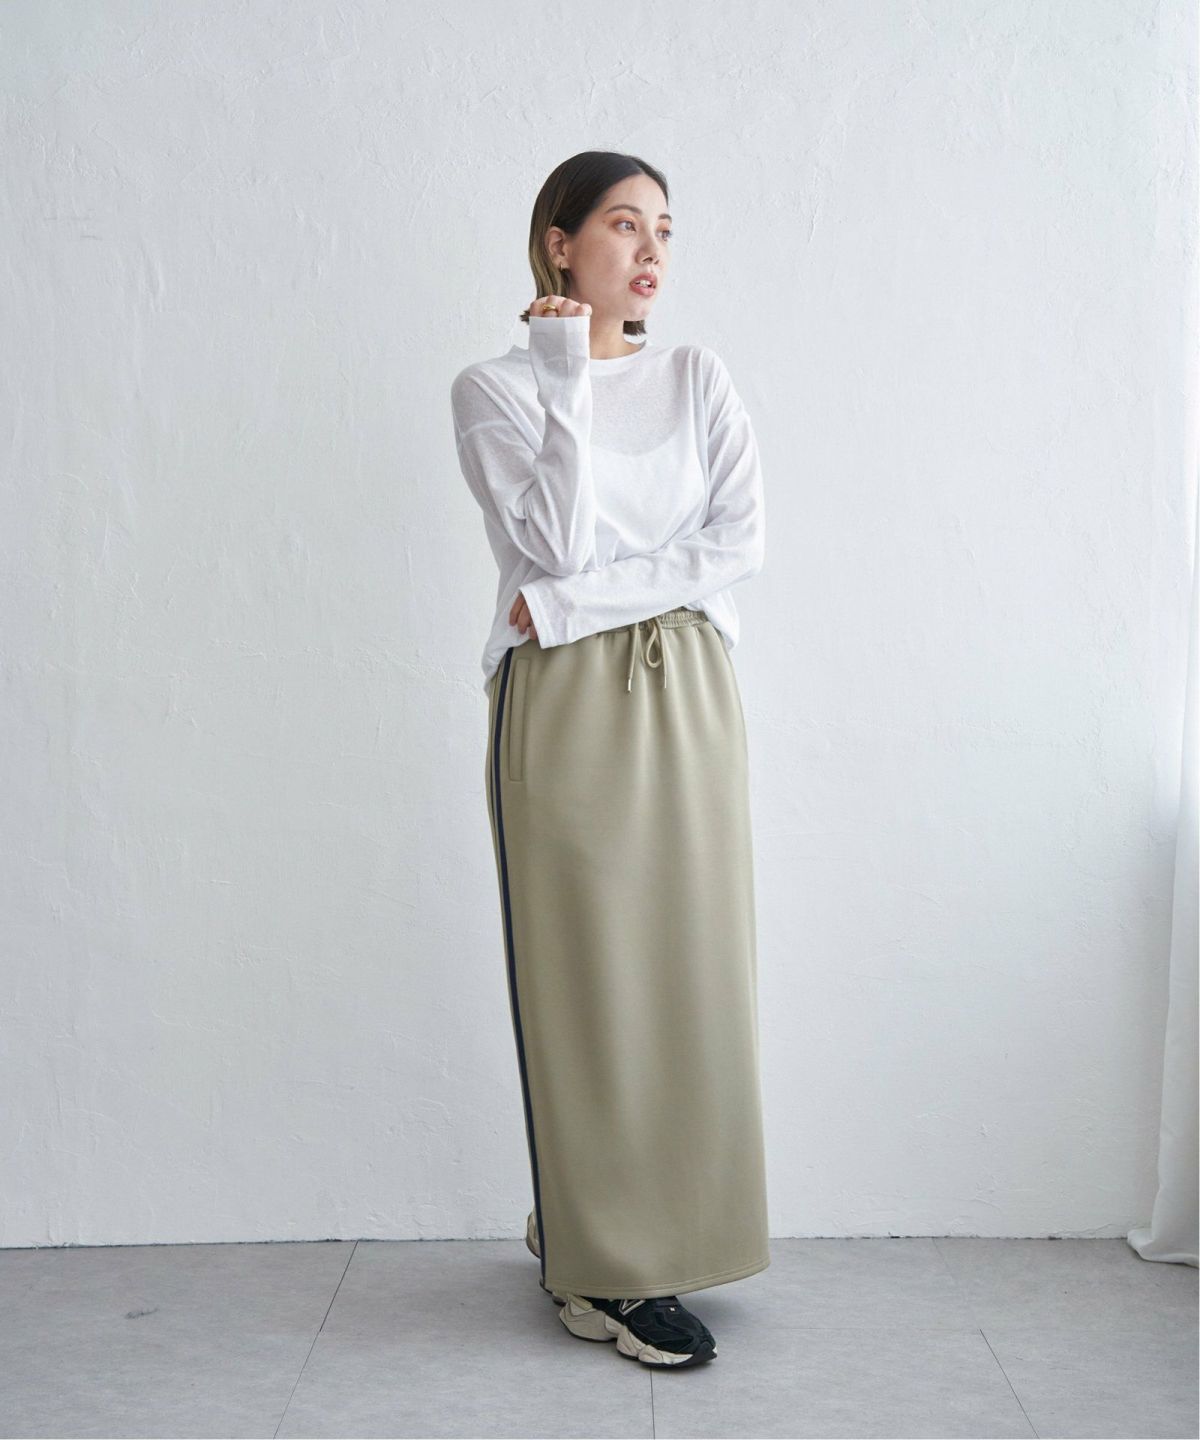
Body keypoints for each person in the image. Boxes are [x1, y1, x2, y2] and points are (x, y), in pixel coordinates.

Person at [450, 151, 769, 1369]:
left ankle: (651, 1231)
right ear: (559, 241)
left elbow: (737, 544)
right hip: (565, 702)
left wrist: (570, 608)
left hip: (690, 685)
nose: (651, 251)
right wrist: (563, 376)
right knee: (587, 984)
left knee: (693, 969)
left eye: (665, 230)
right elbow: (556, 545)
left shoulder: (698, 377)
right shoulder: (495, 388)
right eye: (625, 225)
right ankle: (600, 1269)